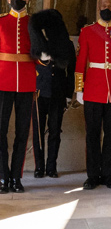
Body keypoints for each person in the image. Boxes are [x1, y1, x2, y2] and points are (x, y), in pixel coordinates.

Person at [75, 0, 111, 190]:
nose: (107, 9)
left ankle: (107, 174)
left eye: (110, 6)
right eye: (103, 6)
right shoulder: (87, 31)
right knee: (92, 134)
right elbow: (81, 61)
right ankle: (92, 175)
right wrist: (79, 88)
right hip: (93, 90)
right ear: (98, 9)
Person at [31, 10, 76, 179]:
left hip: (57, 92)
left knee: (55, 132)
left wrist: (68, 94)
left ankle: (51, 167)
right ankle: (39, 167)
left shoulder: (67, 44)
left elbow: (70, 71)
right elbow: (30, 62)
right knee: (38, 131)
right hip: (39, 91)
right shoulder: (37, 41)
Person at [0, 0, 35, 193]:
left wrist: (44, 59)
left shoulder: (33, 24)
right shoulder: (2, 22)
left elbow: (39, 55)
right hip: (3, 82)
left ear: (27, 0)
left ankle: (16, 177)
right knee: (0, 131)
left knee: (22, 132)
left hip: (26, 83)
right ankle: (3, 176)